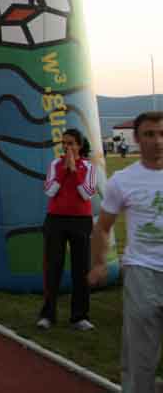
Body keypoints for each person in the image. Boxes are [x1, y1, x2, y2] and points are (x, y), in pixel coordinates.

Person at [89, 111, 163, 393]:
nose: (157, 141)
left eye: (162, 134)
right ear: (136, 139)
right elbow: (103, 227)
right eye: (149, 134)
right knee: (140, 356)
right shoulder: (123, 180)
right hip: (142, 273)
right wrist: (98, 263)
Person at [37, 128, 97, 331]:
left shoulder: (88, 166)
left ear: (79, 145)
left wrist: (75, 171)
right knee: (53, 267)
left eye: (71, 143)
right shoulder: (55, 164)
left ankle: (79, 316)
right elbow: (49, 190)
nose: (67, 147)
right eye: (64, 143)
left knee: (81, 268)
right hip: (56, 220)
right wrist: (64, 170)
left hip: (81, 221)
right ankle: (48, 315)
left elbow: (87, 194)